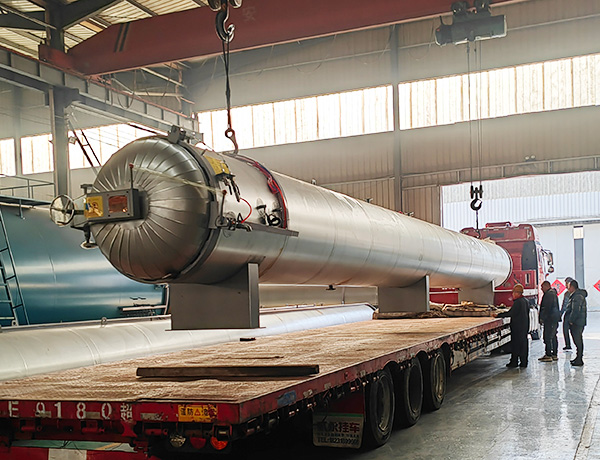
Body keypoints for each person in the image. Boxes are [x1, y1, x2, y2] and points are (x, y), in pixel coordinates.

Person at [498, 284, 530, 368]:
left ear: (517, 293)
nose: (512, 294)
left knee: (515, 345)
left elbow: (511, 313)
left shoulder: (518, 302)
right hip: (524, 327)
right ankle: (524, 362)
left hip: (517, 328)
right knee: (523, 345)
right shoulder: (526, 301)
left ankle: (514, 362)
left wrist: (499, 315)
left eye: (514, 292)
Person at [566, 279, 587, 366]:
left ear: (572, 287)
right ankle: (578, 357)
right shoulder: (576, 295)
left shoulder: (577, 296)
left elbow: (575, 310)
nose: (568, 289)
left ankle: (579, 359)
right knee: (577, 340)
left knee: (578, 340)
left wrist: (571, 320)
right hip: (578, 322)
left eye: (568, 287)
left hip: (577, 322)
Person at [538, 280, 560, 362]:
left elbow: (546, 308)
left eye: (542, 287)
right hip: (553, 319)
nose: (541, 289)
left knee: (548, 336)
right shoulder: (553, 293)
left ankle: (548, 354)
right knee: (553, 336)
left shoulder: (549, 294)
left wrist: (542, 318)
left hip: (550, 319)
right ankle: (554, 354)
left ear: (547, 286)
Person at [561, 277, 574, 350]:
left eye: (566, 283)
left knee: (565, 329)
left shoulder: (567, 294)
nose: (565, 285)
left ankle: (568, 344)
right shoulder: (578, 293)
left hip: (568, 314)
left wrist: (560, 314)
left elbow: (564, 305)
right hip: (574, 314)